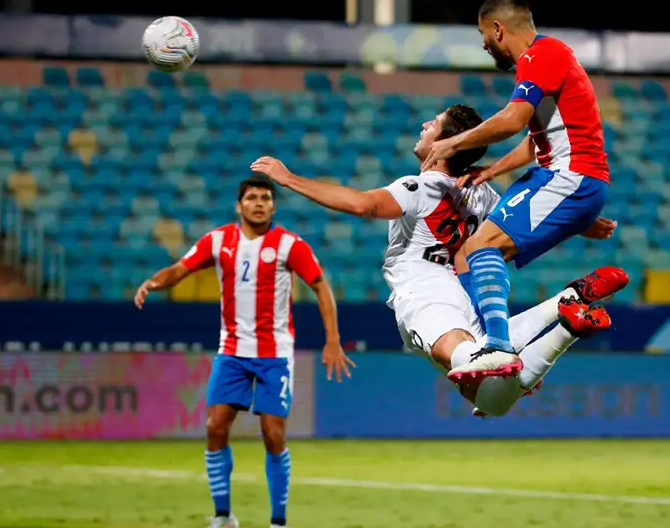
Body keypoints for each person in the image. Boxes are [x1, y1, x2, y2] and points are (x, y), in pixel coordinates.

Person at [251, 104, 627, 417]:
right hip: (462, 293)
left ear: (447, 143)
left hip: (423, 289)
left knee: (484, 367)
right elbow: (524, 217)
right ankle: (566, 307)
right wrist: (582, 223)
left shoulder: (420, 186)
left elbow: (362, 204)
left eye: (433, 124)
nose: (424, 125)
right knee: (490, 400)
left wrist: (289, 179)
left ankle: (563, 318)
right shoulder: (482, 195)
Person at [134, 175, 353, 528]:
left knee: (272, 433)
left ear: (273, 206)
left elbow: (321, 286)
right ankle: (222, 517)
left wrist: (332, 339)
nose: (259, 203)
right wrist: (154, 282)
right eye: (251, 198)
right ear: (239, 206)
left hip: (274, 353)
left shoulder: (290, 244)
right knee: (215, 427)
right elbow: (180, 269)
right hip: (232, 350)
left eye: (266, 198)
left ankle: (278, 525)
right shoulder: (217, 241)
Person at [418, 0, 611, 382]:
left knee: (480, 247)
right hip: (567, 177)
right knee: (466, 257)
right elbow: (534, 139)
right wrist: (491, 171)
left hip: (568, 176)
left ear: (498, 28)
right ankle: (496, 348)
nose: (483, 44)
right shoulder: (550, 59)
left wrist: (454, 141)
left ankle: (504, 346)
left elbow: (513, 119)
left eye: (482, 34)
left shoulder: (542, 55)